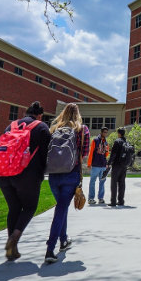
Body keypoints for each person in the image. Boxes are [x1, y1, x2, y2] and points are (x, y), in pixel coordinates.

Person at [0, 101, 50, 261]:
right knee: (29, 207)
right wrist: (42, 172)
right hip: (27, 175)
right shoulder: (41, 127)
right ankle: (15, 238)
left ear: (26, 112)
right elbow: (46, 154)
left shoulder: (11, 126)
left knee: (13, 208)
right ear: (39, 115)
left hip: (4, 174)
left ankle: (12, 248)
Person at [45, 103, 89, 263]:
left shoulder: (54, 129)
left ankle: (63, 240)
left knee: (61, 208)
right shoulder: (82, 130)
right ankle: (50, 249)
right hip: (71, 174)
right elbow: (84, 153)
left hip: (54, 176)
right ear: (78, 114)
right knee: (61, 210)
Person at [108, 127, 130, 206]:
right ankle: (121, 201)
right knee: (122, 183)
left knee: (114, 183)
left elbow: (113, 154)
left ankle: (113, 201)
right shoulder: (127, 142)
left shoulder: (117, 141)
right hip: (124, 165)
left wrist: (109, 163)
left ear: (119, 134)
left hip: (117, 165)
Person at [88, 127, 110, 204]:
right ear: (101, 132)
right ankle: (91, 198)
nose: (105, 133)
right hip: (95, 165)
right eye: (104, 132)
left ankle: (101, 198)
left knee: (102, 182)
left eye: (106, 132)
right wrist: (89, 163)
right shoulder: (95, 140)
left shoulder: (106, 142)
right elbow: (91, 152)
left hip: (103, 165)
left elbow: (107, 153)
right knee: (92, 182)